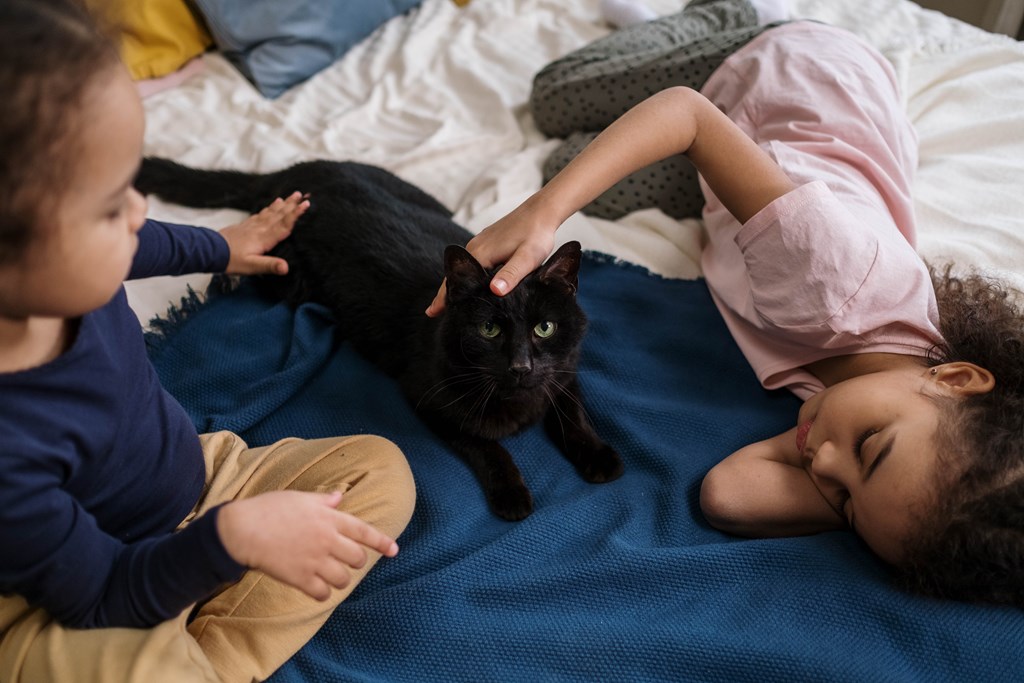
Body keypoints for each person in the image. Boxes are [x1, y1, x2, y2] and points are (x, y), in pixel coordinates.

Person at [426, 0, 1024, 607]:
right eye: (868, 448)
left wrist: (861, 495)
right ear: (956, 377)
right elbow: (685, 113)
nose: (819, 459)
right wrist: (543, 212)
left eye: (840, 499)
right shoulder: (835, 278)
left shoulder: (884, 403)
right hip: (783, 75)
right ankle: (730, 11)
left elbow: (728, 495)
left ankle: (732, 173)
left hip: (762, 175)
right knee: (555, 97)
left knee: (562, 160)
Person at [0, 2, 416, 681]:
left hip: (194, 477)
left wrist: (222, 247)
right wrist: (234, 540)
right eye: (111, 205)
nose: (139, 209)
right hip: (74, 592)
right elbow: (102, 591)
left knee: (379, 474)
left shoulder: (67, 272)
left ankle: (215, 659)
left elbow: (142, 243)